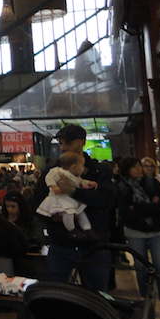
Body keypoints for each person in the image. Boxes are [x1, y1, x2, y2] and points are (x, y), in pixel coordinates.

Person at [31, 125, 117, 291]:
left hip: (94, 244)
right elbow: (36, 204)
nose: (63, 147)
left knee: (97, 294)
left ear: (83, 142)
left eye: (68, 142)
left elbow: (107, 200)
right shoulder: (52, 171)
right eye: (61, 143)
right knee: (57, 292)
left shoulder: (99, 170)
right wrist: (54, 216)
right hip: (61, 242)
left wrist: (73, 191)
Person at [117, 157, 160, 319]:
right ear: (127, 170)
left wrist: (136, 207)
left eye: (139, 166)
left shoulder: (153, 183)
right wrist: (149, 206)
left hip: (158, 229)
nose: (139, 169)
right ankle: (145, 299)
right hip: (135, 231)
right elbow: (125, 212)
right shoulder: (122, 187)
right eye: (134, 167)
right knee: (140, 266)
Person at [36, 151, 98, 238]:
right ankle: (72, 231)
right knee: (68, 213)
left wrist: (88, 182)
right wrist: (53, 186)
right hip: (59, 198)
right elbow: (49, 177)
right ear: (74, 167)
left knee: (80, 212)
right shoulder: (58, 171)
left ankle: (88, 229)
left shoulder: (74, 176)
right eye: (82, 166)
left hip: (69, 198)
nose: (84, 168)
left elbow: (80, 181)